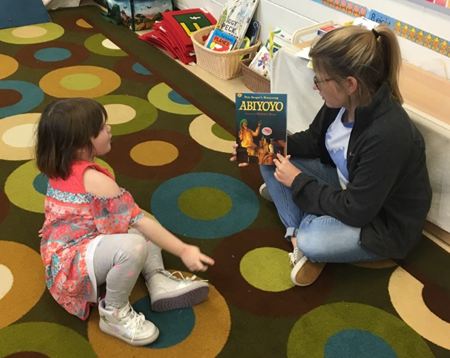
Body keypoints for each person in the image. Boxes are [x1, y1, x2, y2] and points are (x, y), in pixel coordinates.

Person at [231, 24, 432, 287]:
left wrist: (299, 183)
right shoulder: (342, 103)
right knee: (269, 157)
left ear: (349, 84)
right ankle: (296, 235)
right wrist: (261, 143)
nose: (316, 87)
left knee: (313, 239)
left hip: (381, 222)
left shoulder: (388, 134)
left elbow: (358, 210)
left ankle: (302, 230)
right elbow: (314, 141)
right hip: (345, 185)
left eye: (319, 79)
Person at [35, 98, 215, 346]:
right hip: (71, 266)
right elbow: (140, 221)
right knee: (135, 242)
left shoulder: (63, 166)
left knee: (136, 229)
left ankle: (157, 279)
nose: (108, 129)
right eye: (100, 127)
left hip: (70, 248)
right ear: (78, 144)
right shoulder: (96, 180)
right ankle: (114, 313)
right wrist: (183, 250)